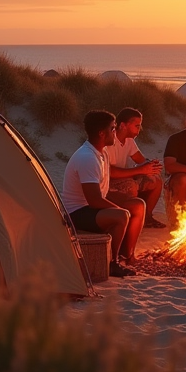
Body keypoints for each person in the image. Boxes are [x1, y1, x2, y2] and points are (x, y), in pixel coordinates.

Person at [61, 110, 139, 277]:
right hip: (77, 213)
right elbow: (94, 200)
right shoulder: (87, 157)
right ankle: (112, 263)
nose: (115, 132)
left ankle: (127, 254)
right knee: (122, 216)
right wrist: (119, 209)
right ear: (102, 133)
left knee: (136, 206)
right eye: (113, 129)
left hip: (90, 207)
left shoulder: (101, 152)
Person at [106, 106, 166, 237]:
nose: (140, 129)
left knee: (155, 180)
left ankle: (147, 217)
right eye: (137, 126)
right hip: (109, 183)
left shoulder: (129, 141)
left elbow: (141, 160)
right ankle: (129, 217)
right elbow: (110, 172)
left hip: (126, 177)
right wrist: (140, 170)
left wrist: (151, 165)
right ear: (123, 125)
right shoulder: (109, 141)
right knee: (131, 186)